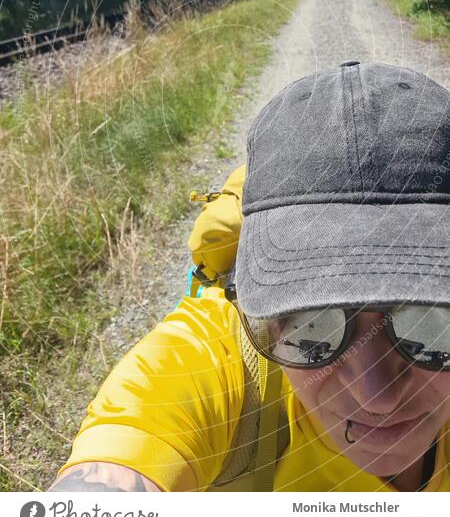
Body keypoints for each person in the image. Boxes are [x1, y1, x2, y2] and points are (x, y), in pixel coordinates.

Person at [48, 61, 450, 493]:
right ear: (254, 307)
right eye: (312, 324)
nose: (378, 397)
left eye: (430, 320)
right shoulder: (214, 363)